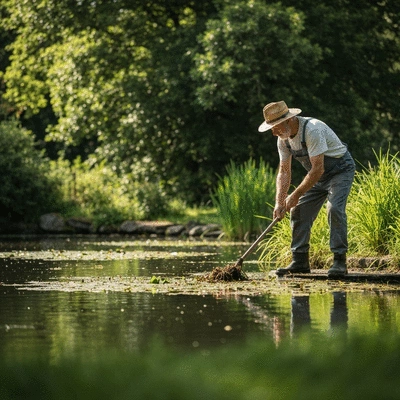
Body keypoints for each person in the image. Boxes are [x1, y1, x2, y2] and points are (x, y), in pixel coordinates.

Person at [258, 101, 355, 278]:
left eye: (275, 126)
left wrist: (295, 194)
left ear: (290, 120)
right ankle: (300, 261)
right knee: (298, 210)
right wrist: (280, 202)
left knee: (334, 209)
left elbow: (318, 168)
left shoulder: (312, 130)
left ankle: (339, 261)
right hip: (317, 176)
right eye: (270, 127)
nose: (273, 132)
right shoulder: (283, 140)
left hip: (340, 170)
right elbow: (284, 171)